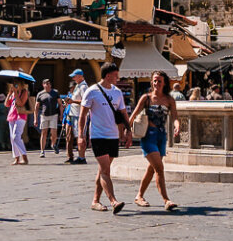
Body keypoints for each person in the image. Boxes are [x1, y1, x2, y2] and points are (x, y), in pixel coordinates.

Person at [80, 62, 132, 213]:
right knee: (105, 170)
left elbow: (123, 113)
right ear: (108, 75)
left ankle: (95, 201)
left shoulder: (117, 92)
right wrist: (81, 135)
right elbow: (83, 115)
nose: (118, 78)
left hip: (113, 136)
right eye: (116, 75)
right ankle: (113, 201)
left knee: (103, 170)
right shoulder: (92, 91)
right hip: (98, 135)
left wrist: (128, 131)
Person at [130, 71, 180, 211]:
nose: (156, 83)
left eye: (159, 81)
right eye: (154, 81)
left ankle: (139, 196)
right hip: (149, 136)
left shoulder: (169, 100)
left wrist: (177, 126)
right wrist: (126, 132)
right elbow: (133, 115)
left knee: (152, 169)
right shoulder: (146, 98)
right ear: (151, 82)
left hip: (161, 136)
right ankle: (166, 200)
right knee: (159, 168)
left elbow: (175, 117)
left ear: (164, 83)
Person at [64, 69, 89, 163]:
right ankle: (80, 156)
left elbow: (85, 102)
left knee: (80, 136)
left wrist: (73, 101)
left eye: (74, 76)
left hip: (79, 115)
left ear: (80, 76)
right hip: (74, 114)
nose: (73, 78)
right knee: (77, 136)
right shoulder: (78, 86)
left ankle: (82, 157)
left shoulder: (83, 87)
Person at [6, 81, 31, 164]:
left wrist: (16, 93)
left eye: (16, 84)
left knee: (16, 136)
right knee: (12, 139)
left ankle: (24, 157)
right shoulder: (13, 93)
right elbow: (6, 104)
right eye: (13, 84)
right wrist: (9, 94)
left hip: (21, 116)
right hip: (12, 116)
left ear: (21, 84)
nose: (14, 85)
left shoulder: (24, 92)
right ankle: (16, 158)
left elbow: (21, 103)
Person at [36, 82, 60, 152]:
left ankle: (53, 144)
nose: (47, 85)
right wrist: (35, 118)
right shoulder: (40, 94)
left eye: (48, 83)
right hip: (44, 115)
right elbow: (36, 106)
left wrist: (61, 114)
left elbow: (60, 104)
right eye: (45, 84)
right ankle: (42, 150)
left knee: (54, 131)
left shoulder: (55, 92)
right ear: (43, 85)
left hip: (53, 115)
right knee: (44, 132)